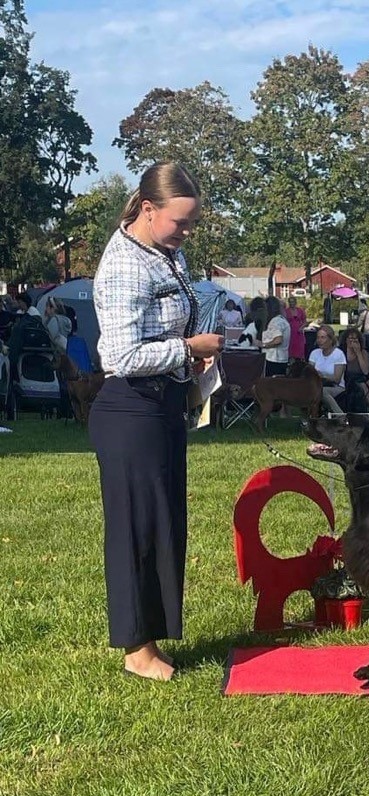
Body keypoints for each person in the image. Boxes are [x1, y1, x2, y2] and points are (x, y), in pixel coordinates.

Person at [88, 161, 223, 681]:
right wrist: (187, 348)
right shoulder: (125, 264)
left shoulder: (167, 254)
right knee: (134, 530)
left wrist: (192, 362)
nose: (186, 233)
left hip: (162, 407)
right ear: (148, 209)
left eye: (191, 224)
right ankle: (135, 651)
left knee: (163, 524)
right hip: (129, 410)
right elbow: (121, 355)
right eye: (180, 222)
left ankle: (152, 638)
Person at [309, 324, 347, 413]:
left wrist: (323, 376)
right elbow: (309, 373)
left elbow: (337, 379)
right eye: (318, 337)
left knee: (322, 391)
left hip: (336, 387)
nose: (319, 340)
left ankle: (340, 416)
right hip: (316, 385)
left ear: (330, 340)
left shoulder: (338, 354)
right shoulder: (314, 353)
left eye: (323, 338)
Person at [342, 327, 369, 410]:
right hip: (348, 378)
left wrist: (358, 353)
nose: (352, 341)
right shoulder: (342, 352)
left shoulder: (363, 352)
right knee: (362, 386)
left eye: (355, 339)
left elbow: (366, 371)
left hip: (362, 376)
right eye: (350, 338)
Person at [261, 295, 291, 376]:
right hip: (279, 358)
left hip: (274, 359)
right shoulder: (280, 320)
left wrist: (263, 345)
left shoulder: (276, 322)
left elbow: (278, 340)